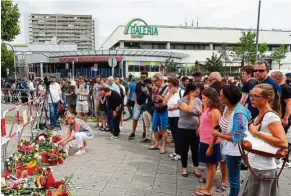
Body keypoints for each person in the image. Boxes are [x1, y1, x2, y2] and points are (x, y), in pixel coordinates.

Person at [239, 84, 288, 196]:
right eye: (251, 95)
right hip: (256, 166)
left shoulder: (271, 117)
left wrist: (256, 133)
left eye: (256, 96)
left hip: (263, 169)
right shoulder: (261, 114)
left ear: (267, 99)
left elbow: (283, 142)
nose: (252, 98)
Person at [212, 85, 251, 196]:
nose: (219, 98)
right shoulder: (227, 108)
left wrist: (218, 134)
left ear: (228, 98)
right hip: (227, 147)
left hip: (235, 151)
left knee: (234, 179)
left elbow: (238, 137)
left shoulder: (238, 114)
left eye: (221, 96)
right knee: (232, 177)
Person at [193, 87, 221, 196]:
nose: (202, 99)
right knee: (208, 166)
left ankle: (208, 190)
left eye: (204, 98)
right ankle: (207, 187)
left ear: (210, 99)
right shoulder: (208, 108)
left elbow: (216, 130)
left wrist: (211, 146)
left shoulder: (214, 111)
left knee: (211, 167)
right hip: (204, 140)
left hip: (211, 142)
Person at [177, 82, 202, 177]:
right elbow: (189, 110)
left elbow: (201, 114)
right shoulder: (181, 101)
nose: (198, 94)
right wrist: (191, 98)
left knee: (195, 149)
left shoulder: (198, 100)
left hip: (195, 129)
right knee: (184, 149)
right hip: (183, 128)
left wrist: (200, 127)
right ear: (190, 91)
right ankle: (184, 168)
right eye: (196, 92)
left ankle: (196, 167)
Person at [163, 77, 184, 161]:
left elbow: (184, 104)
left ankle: (180, 153)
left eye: (171, 86)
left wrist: (175, 107)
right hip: (170, 116)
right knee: (174, 134)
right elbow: (164, 103)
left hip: (178, 116)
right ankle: (176, 151)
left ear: (176, 86)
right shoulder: (169, 92)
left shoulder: (181, 92)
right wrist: (169, 94)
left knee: (178, 135)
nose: (169, 87)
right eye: (169, 86)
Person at [149, 73, 169, 154]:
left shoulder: (166, 88)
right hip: (156, 110)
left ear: (160, 80)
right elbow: (153, 100)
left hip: (164, 110)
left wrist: (162, 98)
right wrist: (153, 93)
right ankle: (157, 143)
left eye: (155, 81)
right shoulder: (156, 88)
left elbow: (168, 99)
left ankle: (164, 146)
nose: (154, 83)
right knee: (154, 127)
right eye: (153, 81)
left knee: (163, 129)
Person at [128, 71, 148, 140]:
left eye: (144, 77)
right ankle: (133, 132)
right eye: (141, 77)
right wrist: (135, 101)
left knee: (144, 119)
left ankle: (144, 132)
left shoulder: (148, 84)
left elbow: (149, 94)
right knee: (135, 118)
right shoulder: (138, 84)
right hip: (138, 103)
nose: (142, 78)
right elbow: (135, 93)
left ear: (146, 77)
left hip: (145, 104)